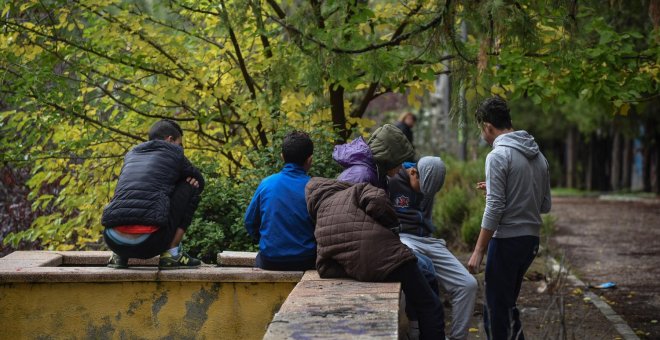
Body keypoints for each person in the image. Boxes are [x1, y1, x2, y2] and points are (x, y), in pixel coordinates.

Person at [305, 177, 445, 340]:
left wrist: (353, 267)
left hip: (368, 271)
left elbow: (323, 267)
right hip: (392, 256)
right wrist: (390, 226)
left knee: (426, 278)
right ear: (332, 185)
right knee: (429, 305)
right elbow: (377, 198)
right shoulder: (353, 191)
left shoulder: (320, 224)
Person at [467, 97, 552, 340]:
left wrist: (478, 250)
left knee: (496, 313)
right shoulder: (539, 156)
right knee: (506, 305)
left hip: (506, 242)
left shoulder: (498, 156)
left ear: (488, 127)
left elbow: (494, 207)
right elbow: (544, 205)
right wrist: (507, 189)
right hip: (530, 242)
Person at [389, 156, 478, 340]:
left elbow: (426, 218)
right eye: (422, 189)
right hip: (402, 237)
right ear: (413, 172)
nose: (425, 196)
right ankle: (415, 330)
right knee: (415, 268)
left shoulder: (429, 185)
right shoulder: (391, 179)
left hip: (427, 240)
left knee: (468, 285)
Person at [101, 119, 205, 269]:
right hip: (149, 242)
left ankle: (118, 257)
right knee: (190, 184)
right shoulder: (174, 152)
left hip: (112, 239)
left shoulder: (131, 154)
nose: (181, 149)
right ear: (170, 140)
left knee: (129, 189)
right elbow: (200, 181)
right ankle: (172, 254)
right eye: (180, 144)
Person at [244, 131, 316, 271]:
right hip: (306, 260)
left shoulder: (266, 184)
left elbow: (250, 222)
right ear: (310, 160)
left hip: (270, 260)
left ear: (282, 156)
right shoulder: (315, 187)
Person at [333, 123, 415, 189]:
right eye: (399, 162)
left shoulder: (377, 173)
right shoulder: (360, 176)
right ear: (388, 158)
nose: (401, 168)